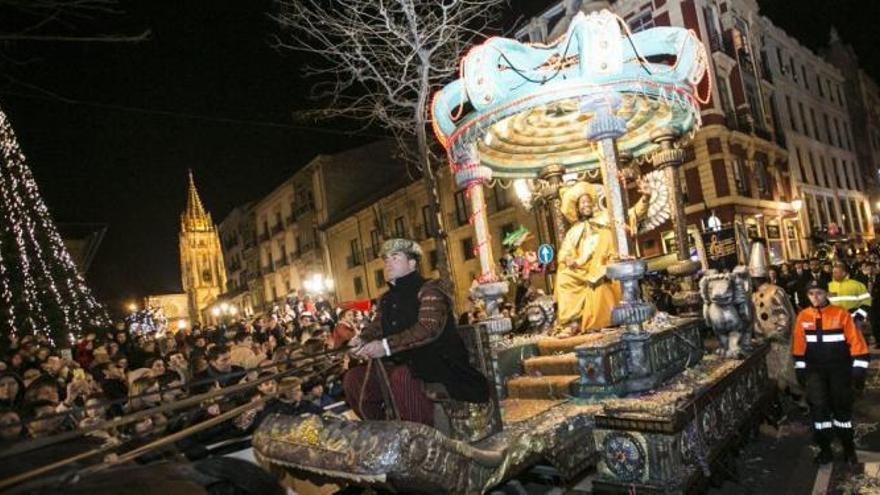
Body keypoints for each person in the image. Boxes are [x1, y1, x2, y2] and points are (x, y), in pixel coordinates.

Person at [342, 238, 489, 426]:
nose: (388, 263)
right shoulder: (386, 299)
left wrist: (385, 346)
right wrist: (361, 340)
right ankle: (384, 431)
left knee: (402, 377)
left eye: (395, 258)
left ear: (412, 263)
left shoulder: (431, 289)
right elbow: (377, 327)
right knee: (353, 379)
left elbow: (427, 329)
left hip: (438, 363)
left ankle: (420, 438)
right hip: (400, 362)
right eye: (386, 259)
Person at [554, 181, 647, 335]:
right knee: (564, 275)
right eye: (582, 202)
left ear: (592, 203)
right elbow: (564, 252)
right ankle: (572, 323)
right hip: (581, 268)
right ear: (577, 208)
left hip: (603, 262)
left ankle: (607, 320)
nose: (585, 205)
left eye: (587, 201)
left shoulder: (605, 218)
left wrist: (645, 198)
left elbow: (631, 214)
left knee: (602, 274)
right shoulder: (573, 231)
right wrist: (567, 260)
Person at [792, 280, 869, 465]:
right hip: (815, 373)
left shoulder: (841, 314)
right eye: (811, 294)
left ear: (827, 294)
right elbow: (799, 346)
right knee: (819, 412)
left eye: (819, 293)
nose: (815, 297)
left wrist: (858, 372)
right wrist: (801, 371)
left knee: (842, 409)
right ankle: (825, 450)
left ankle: (849, 450)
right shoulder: (803, 316)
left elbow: (857, 343)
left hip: (839, 371)